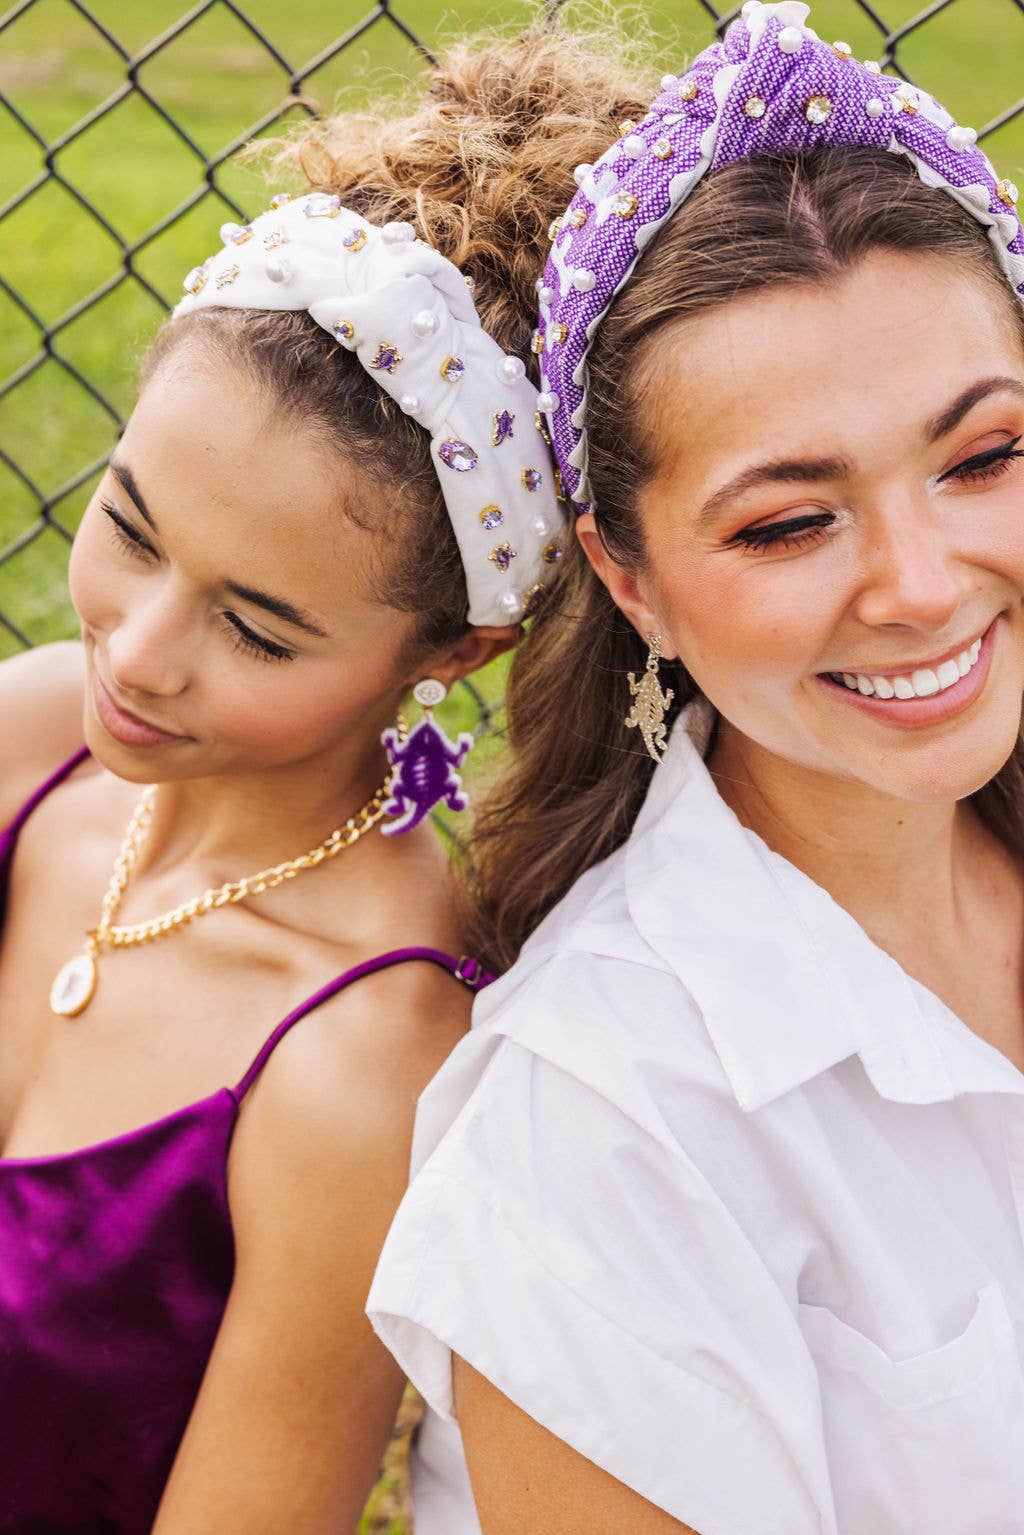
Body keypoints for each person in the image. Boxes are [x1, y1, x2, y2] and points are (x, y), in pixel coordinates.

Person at [368, 3, 1024, 1532]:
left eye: (985, 456)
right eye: (790, 521)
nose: (923, 584)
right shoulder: (604, 1127)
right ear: (633, 580)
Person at [0, 25, 636, 1530]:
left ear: (457, 653)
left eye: (259, 628)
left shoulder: (362, 1054)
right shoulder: (28, 740)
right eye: (134, 527)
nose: (138, 657)